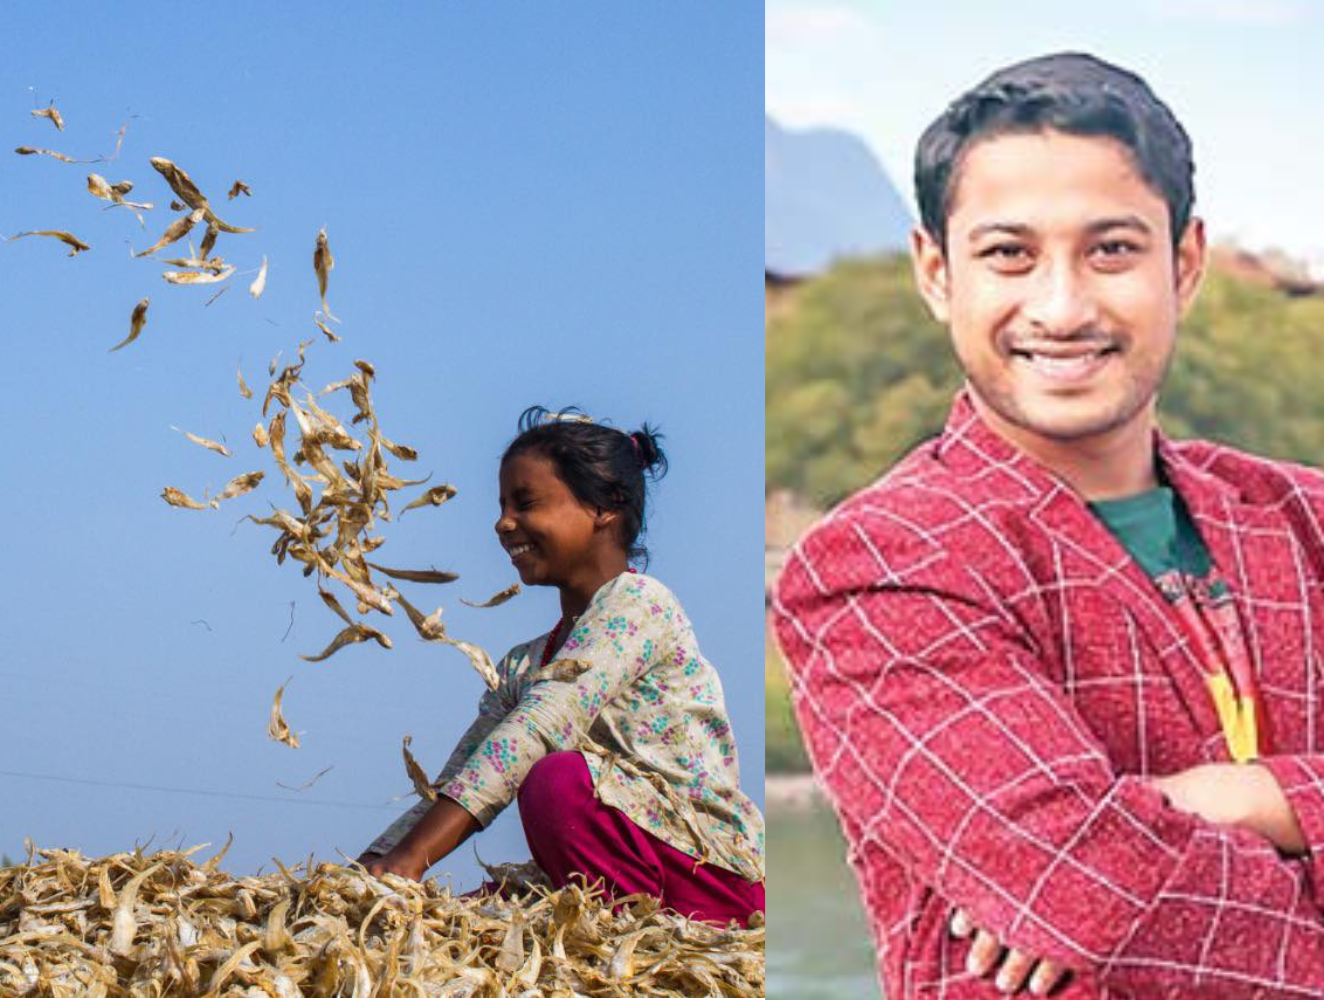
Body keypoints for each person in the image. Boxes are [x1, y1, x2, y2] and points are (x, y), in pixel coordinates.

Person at [775, 52, 1324, 999]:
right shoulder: (876, 564)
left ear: (1184, 263)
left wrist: (1262, 795)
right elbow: (1089, 888)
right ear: (937, 273)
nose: (1062, 308)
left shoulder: (1303, 517)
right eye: (1009, 254)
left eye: (1111, 250)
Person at [359, 407, 765, 923]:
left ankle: (629, 934)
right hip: (629, 868)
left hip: (709, 875)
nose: (503, 523)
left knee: (557, 781)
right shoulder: (524, 664)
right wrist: (371, 868)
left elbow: (541, 725)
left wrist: (413, 858)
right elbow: (465, 775)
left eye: (526, 503)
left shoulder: (639, 606)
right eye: (502, 506)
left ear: (605, 507)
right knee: (473, 913)